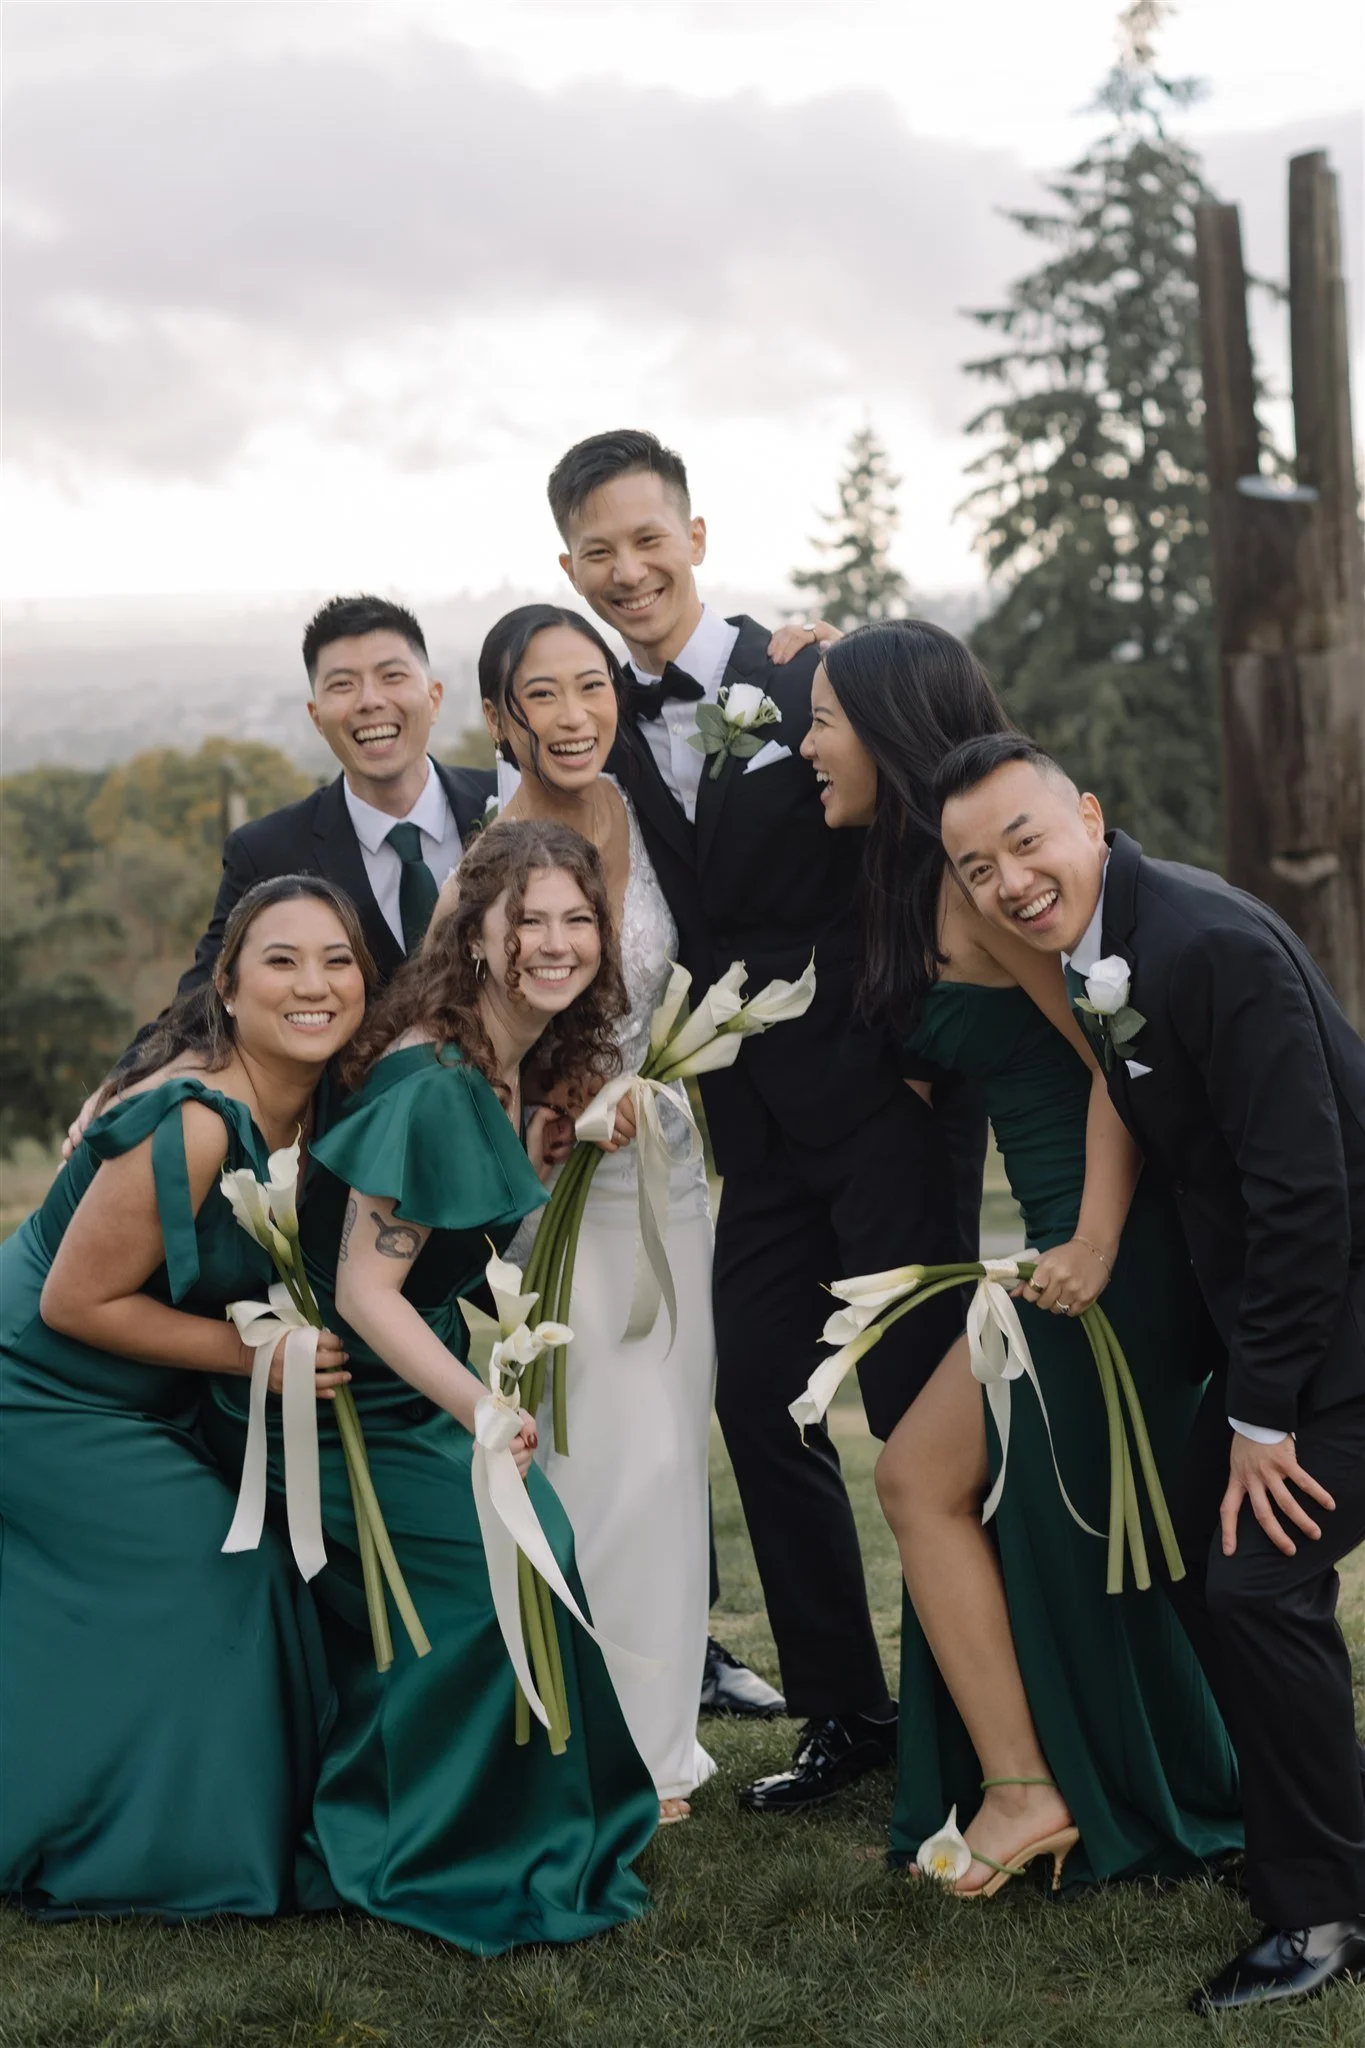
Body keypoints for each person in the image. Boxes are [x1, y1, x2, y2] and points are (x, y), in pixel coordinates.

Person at [547, 429, 985, 1812]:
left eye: (644, 539)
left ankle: (968, 1722)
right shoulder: (595, 718)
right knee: (759, 1396)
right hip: (748, 1117)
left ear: (694, 534)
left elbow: (933, 810)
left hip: (885, 1096)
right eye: (597, 553)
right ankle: (845, 1714)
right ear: (569, 565)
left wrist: (924, 1042)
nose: (627, 570)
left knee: (919, 1398)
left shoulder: (808, 671)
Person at [801, 620, 1241, 1898]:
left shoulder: (981, 888)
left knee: (923, 1480)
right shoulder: (926, 873)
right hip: (1058, 1236)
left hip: (1106, 1246)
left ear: (885, 730)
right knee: (932, 1482)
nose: (807, 742)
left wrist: (1093, 1240)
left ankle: (1037, 1786)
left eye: (826, 718)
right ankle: (1030, 1781)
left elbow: (1119, 1054)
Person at [936, 733, 1365, 2013]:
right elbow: (1135, 1089)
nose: (1009, 880)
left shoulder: (1208, 945)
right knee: (1188, 1530)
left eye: (1026, 841)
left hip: (1343, 1311)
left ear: (1089, 815)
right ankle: (1311, 1833)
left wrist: (1262, 1415)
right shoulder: (1112, 943)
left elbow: (1307, 1196)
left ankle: (1327, 1911)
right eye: (976, 867)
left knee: (1253, 1569)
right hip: (1309, 1314)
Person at [202, 820, 658, 1955]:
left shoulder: (514, 1057)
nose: (556, 944)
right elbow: (365, 1289)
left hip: (404, 1390)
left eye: (576, 921)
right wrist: (485, 1409)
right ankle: (409, 1842)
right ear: (477, 936)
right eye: (529, 923)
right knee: (490, 1572)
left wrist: (579, 1133)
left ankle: (531, 1825)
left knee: (535, 1551)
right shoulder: (438, 1077)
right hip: (339, 1402)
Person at [0, 876, 368, 1919]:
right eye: (282, 961)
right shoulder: (196, 1118)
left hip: (141, 1391)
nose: (314, 983)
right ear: (229, 987)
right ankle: (168, 1848)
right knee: (224, 1569)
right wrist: (258, 1357)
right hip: (37, 1389)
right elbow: (74, 1301)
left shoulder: (325, 1104)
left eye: (337, 959)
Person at [476, 602, 717, 1823]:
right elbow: (471, 1032)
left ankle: (662, 1733)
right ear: (499, 717)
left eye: (590, 686)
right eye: (542, 695)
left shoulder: (644, 805)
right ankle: (601, 1738)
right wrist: (548, 1122)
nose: (574, 716)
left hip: (672, 1176)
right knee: (601, 1459)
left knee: (674, 1461)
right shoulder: (495, 850)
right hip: (561, 1189)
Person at [64, 592, 495, 1151]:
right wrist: (121, 1085)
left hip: (517, 1136)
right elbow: (205, 994)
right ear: (316, 717)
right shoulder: (269, 849)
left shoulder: (505, 805)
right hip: (353, 1155)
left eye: (391, 676)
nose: (369, 701)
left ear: (433, 698)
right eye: (342, 685)